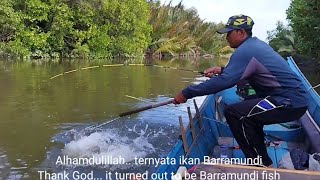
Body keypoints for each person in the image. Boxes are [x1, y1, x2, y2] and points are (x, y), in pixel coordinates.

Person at [173, 14, 308, 167]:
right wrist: (222, 70)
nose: (226, 37)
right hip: (289, 99)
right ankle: (263, 159)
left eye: (229, 33)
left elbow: (225, 82)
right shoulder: (254, 46)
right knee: (248, 110)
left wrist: (187, 93)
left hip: (288, 102)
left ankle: (259, 163)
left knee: (235, 113)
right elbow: (243, 73)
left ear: (241, 33)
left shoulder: (246, 50)